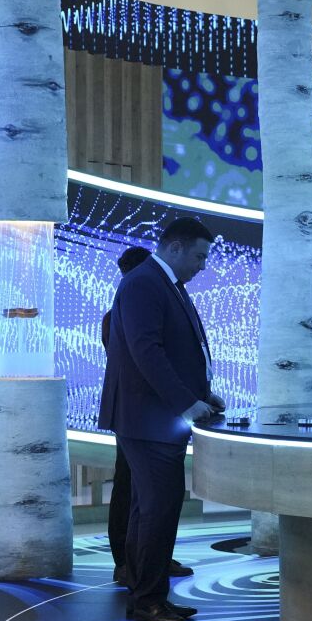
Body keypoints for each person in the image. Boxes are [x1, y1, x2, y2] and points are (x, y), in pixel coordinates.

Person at [100, 216, 225, 621]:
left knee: (149, 510)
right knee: (157, 510)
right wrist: (185, 404)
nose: (203, 265)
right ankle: (149, 600)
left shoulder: (164, 284)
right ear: (175, 248)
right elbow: (146, 351)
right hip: (147, 420)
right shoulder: (143, 283)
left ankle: (145, 592)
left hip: (155, 420)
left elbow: (172, 351)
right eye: (199, 255)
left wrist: (200, 397)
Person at [100, 245, 192, 589]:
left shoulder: (128, 310)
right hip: (136, 418)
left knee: (145, 497)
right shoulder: (121, 314)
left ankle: (148, 559)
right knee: (130, 489)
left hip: (151, 419)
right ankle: (126, 562)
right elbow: (141, 363)